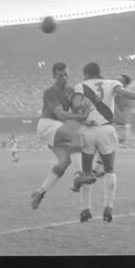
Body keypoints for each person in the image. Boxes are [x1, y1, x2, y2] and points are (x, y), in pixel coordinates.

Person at [71, 62, 135, 223]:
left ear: (86, 74)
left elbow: (76, 105)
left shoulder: (80, 86)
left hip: (89, 131)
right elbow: (127, 93)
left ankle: (85, 210)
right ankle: (109, 207)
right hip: (106, 130)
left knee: (87, 173)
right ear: (99, 72)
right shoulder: (111, 83)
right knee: (109, 169)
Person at [31, 62, 96, 210]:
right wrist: (82, 117)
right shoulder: (50, 92)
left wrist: (86, 118)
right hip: (47, 125)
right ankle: (79, 175)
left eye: (66, 74)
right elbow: (61, 114)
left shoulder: (71, 92)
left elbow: (76, 114)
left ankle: (40, 192)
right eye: (60, 75)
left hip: (58, 129)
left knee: (65, 160)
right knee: (76, 134)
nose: (64, 77)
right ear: (54, 76)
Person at [92, 74, 134, 177]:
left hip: (121, 129)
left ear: (125, 84)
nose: (115, 81)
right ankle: (100, 170)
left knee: (103, 145)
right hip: (112, 127)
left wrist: (111, 103)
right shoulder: (112, 95)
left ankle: (102, 169)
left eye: (119, 80)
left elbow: (123, 119)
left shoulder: (127, 99)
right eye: (115, 79)